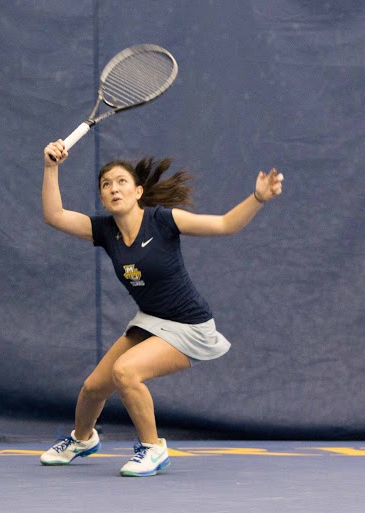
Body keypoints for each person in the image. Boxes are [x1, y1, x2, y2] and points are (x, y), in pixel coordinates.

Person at [39, 139, 284, 477]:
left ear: (139, 191)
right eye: (106, 184)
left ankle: (153, 449)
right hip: (150, 321)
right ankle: (82, 439)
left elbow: (226, 224)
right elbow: (54, 215)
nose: (113, 188)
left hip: (190, 326)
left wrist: (257, 197)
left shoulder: (163, 221)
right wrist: (52, 167)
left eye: (122, 182)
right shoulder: (105, 231)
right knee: (94, 387)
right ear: (102, 197)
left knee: (126, 372)